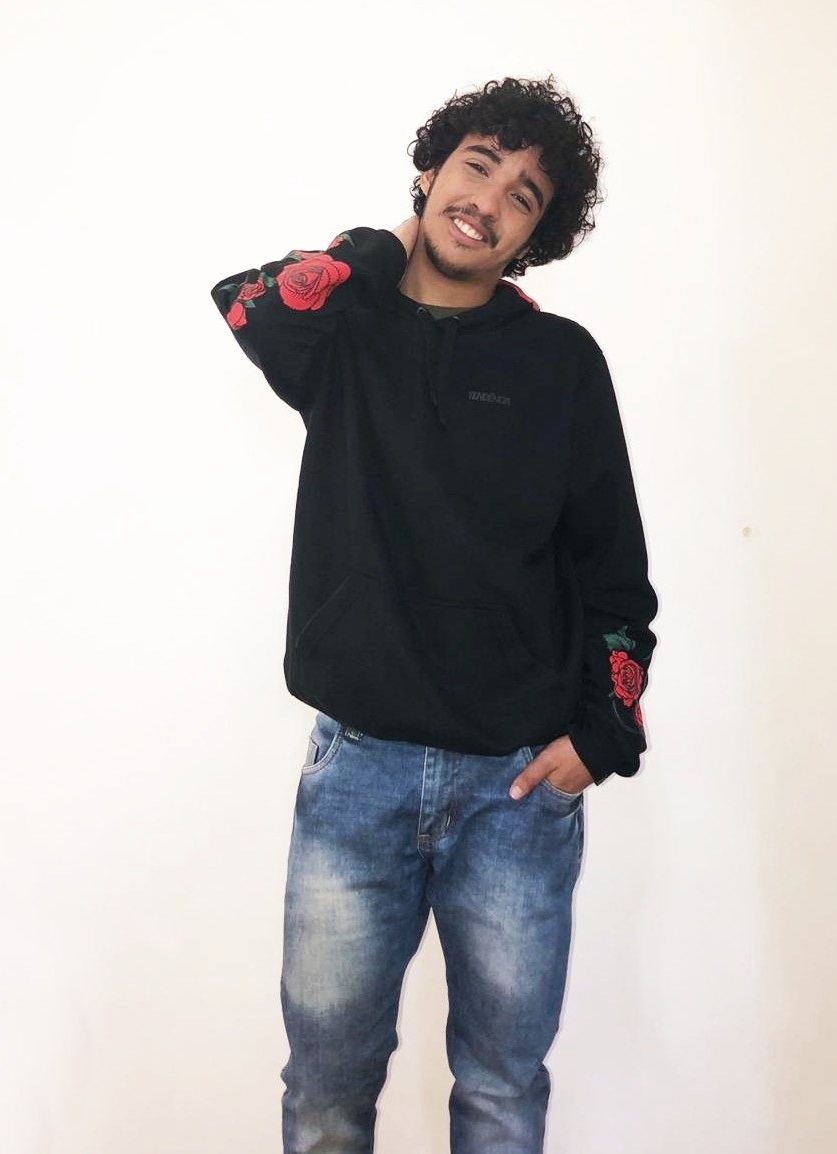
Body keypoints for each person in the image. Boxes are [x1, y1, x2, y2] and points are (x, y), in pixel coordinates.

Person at [210, 75, 658, 1154]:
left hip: (515, 790)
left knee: (501, 1092)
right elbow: (251, 302)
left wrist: (601, 734)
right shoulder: (344, 335)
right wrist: (383, 245)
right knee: (325, 1090)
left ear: (535, 236)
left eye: (523, 196)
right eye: (476, 166)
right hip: (355, 774)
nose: (489, 201)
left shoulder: (559, 362)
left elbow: (612, 571)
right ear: (429, 171)